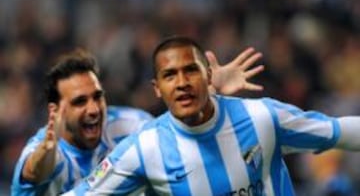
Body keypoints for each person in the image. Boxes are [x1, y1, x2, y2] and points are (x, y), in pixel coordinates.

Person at [63, 36, 360, 196]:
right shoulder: (145, 149)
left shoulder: (261, 118)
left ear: (209, 75)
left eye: (190, 70)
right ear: (157, 89)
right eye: (169, 75)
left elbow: (340, 131)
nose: (181, 82)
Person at [11, 46, 264, 196]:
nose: (93, 109)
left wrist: (207, 94)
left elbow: (178, 140)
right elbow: (35, 170)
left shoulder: (131, 124)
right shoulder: (45, 149)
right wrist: (44, 156)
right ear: (57, 110)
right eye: (79, 102)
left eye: (97, 97)